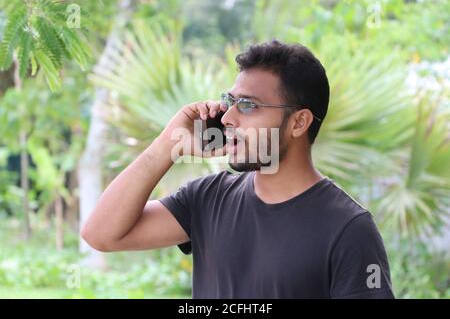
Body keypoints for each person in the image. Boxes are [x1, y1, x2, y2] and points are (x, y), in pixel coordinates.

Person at [82, 40, 394, 299]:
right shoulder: (207, 198)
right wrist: (167, 145)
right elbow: (101, 234)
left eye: (247, 104)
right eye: (229, 101)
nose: (229, 118)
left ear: (299, 122)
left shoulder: (349, 229)